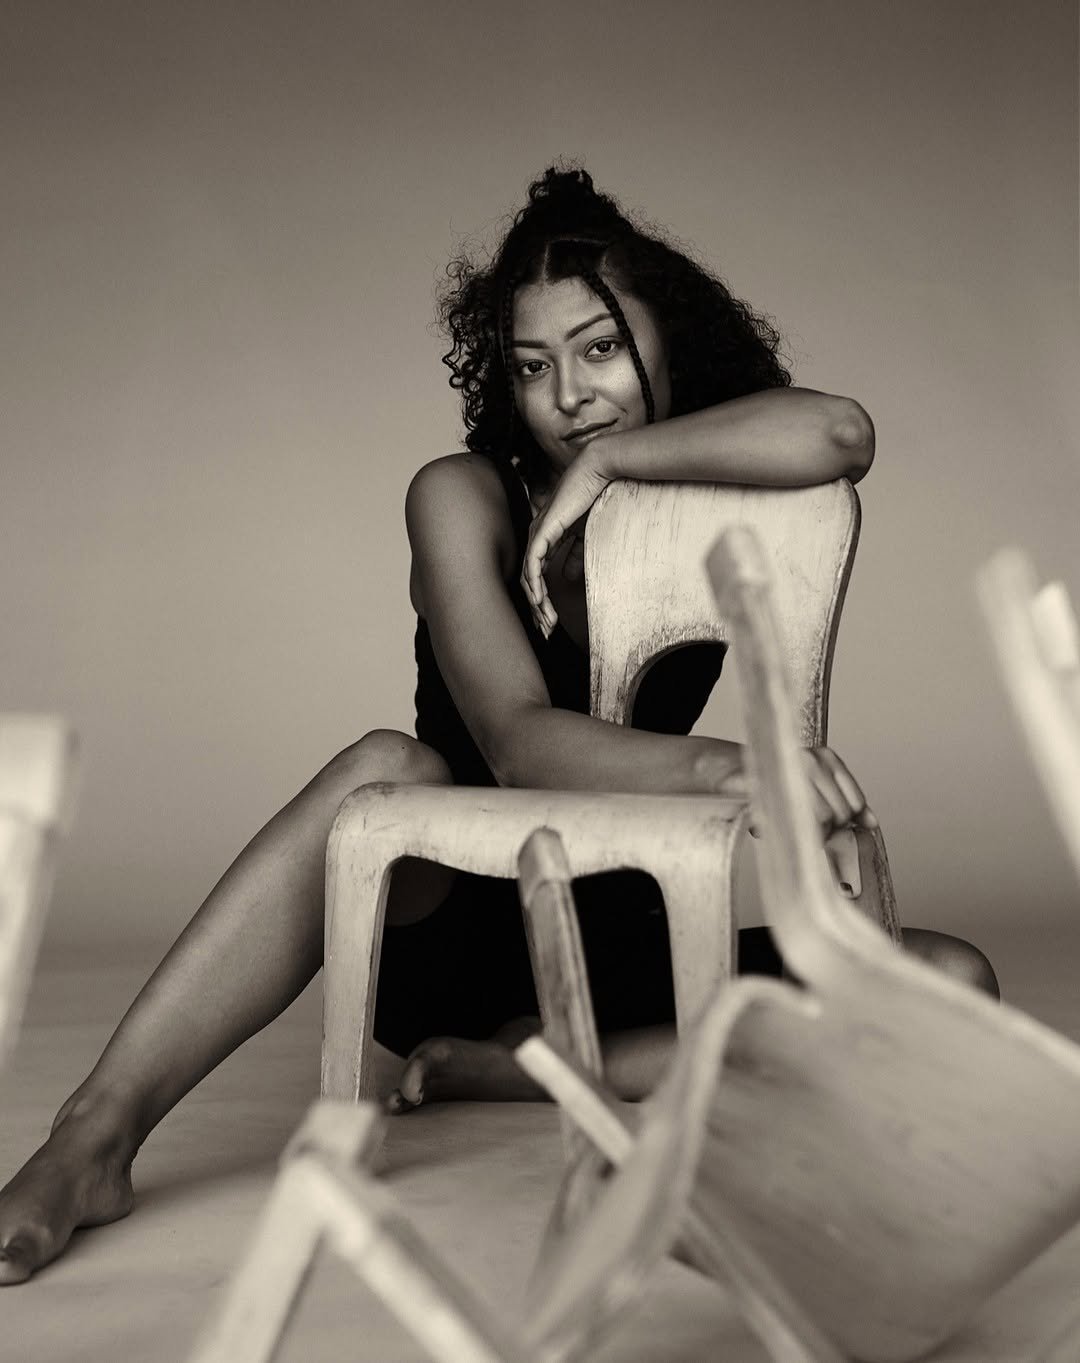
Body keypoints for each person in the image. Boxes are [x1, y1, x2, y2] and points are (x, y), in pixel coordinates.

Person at [0, 165, 998, 1285]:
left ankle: (521, 1066)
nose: (568, 396)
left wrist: (620, 461)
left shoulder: (698, 486)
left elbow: (842, 432)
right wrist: (741, 766)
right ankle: (94, 1134)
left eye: (600, 350)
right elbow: (522, 745)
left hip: (632, 912)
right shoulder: (461, 494)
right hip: (455, 914)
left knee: (950, 978)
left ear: (672, 345)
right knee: (390, 763)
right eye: (532, 368)